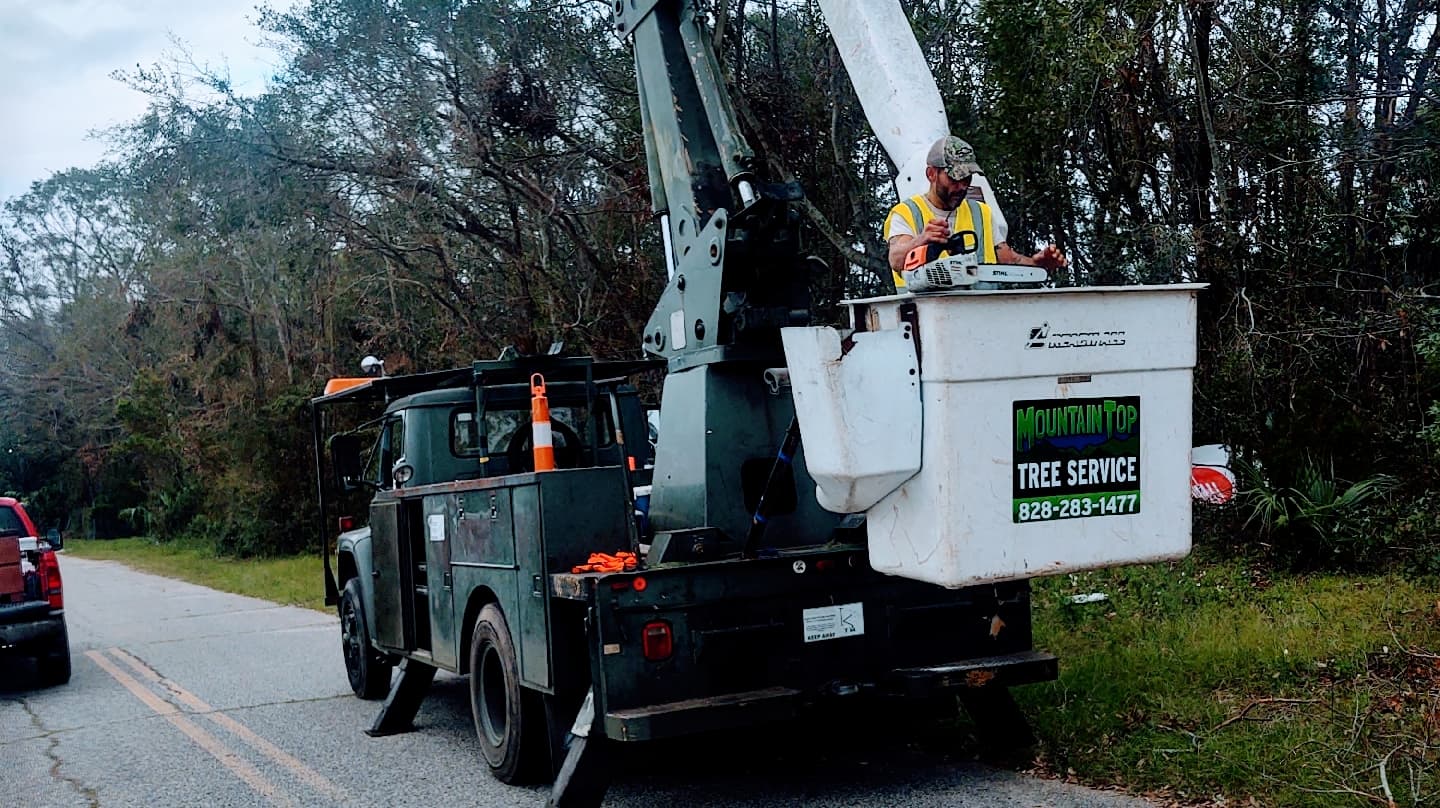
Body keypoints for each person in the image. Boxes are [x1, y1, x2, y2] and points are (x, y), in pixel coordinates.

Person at [884, 136, 1066, 290]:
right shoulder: (906, 213)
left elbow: (1007, 258)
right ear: (931, 174)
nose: (962, 186)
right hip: (929, 314)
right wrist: (921, 240)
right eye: (955, 178)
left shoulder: (981, 212)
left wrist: (1036, 264)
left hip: (979, 312)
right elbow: (896, 260)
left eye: (967, 178)